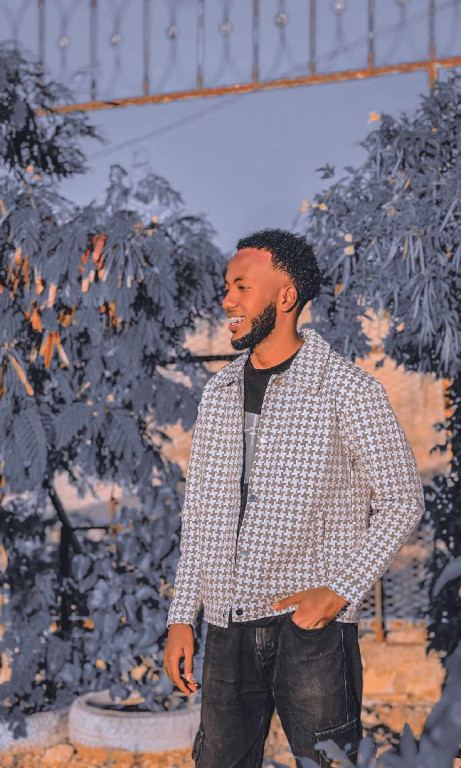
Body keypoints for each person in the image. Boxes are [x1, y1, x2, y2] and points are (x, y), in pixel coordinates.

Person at [163, 229, 424, 767]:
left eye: (241, 287)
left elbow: (402, 500)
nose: (227, 300)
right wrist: (182, 614)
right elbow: (202, 514)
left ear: (285, 297)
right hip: (227, 628)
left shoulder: (348, 390)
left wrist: (338, 592)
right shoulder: (219, 393)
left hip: (312, 633)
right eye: (227, 287)